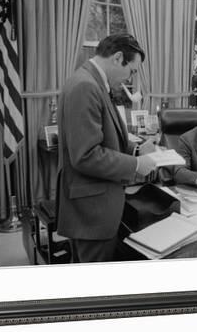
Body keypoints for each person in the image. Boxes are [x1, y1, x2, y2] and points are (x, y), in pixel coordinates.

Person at [56, 34, 157, 263]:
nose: (129, 79)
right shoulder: (85, 86)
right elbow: (86, 155)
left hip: (95, 206)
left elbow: (105, 137)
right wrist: (137, 165)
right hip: (92, 213)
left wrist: (136, 150)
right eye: (131, 71)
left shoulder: (93, 82)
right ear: (118, 58)